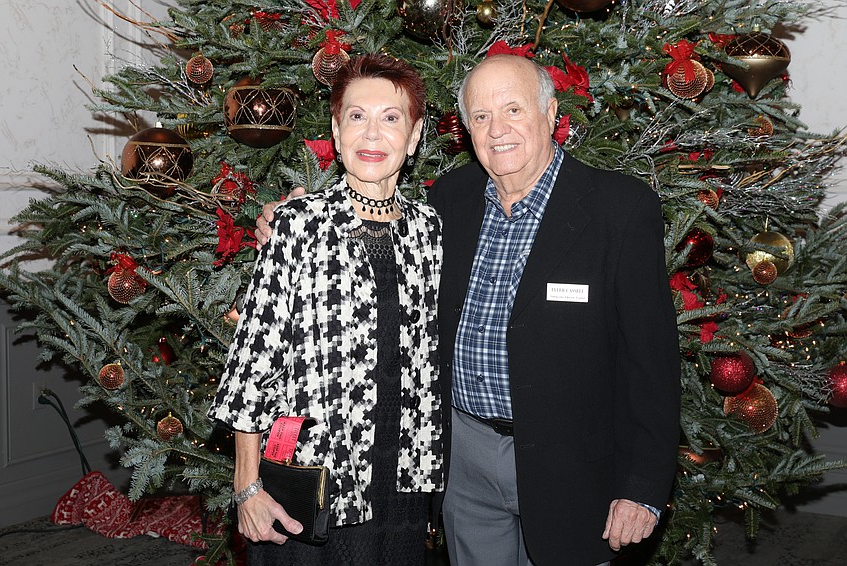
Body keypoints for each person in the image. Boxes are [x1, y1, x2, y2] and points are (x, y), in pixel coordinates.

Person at [257, 54, 681, 566]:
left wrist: (642, 487)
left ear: (550, 115)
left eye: (514, 111)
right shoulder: (448, 202)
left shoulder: (620, 209)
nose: (497, 130)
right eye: (480, 116)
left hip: (572, 466)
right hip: (463, 460)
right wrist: (286, 226)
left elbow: (652, 365)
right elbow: (370, 241)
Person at [208, 54, 444, 565]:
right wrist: (247, 486)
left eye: (391, 117)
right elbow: (253, 362)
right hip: (313, 479)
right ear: (337, 133)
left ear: (416, 133)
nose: (372, 134)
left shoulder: (430, 231)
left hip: (404, 477)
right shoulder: (296, 225)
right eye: (357, 117)